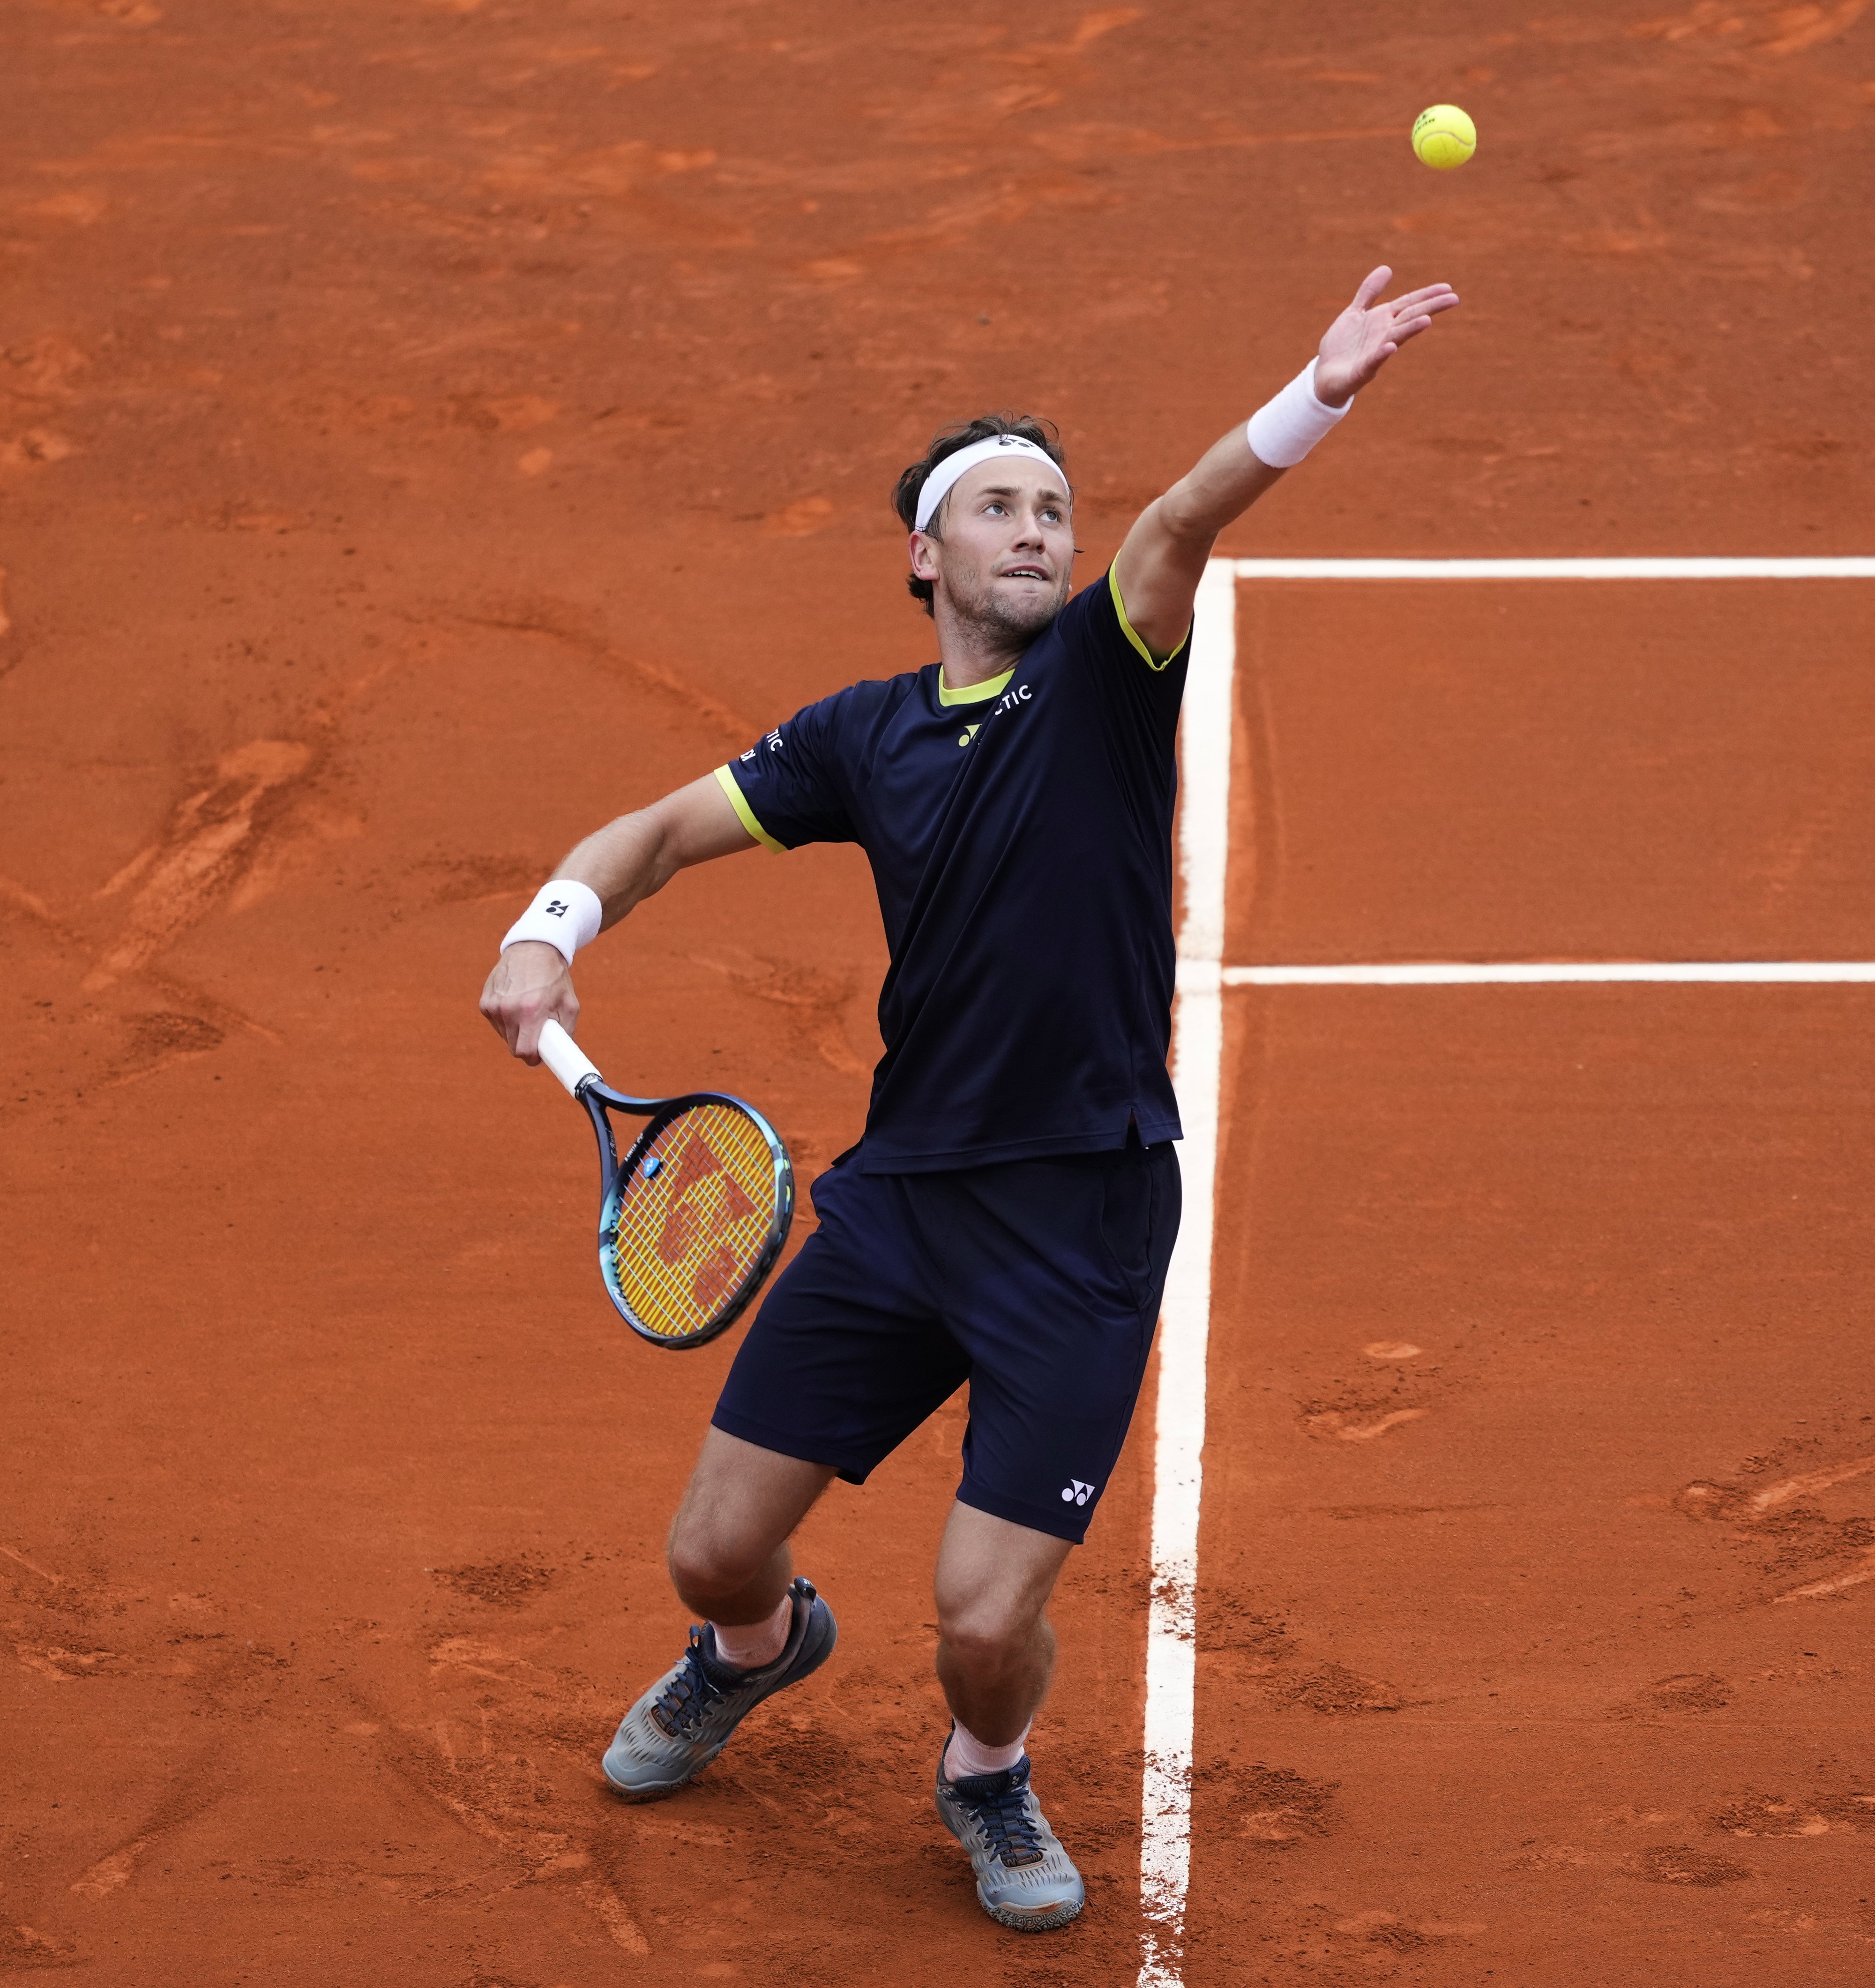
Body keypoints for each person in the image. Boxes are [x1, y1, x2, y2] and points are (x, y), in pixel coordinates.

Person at [477, 267, 1458, 1931]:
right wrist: (541, 936)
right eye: (996, 506)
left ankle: (984, 1775)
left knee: (981, 1624)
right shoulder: (860, 739)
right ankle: (755, 1652)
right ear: (924, 555)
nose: (1038, 529)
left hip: (1079, 1217)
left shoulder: (1105, 670)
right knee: (712, 1552)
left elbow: (1187, 520)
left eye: (1052, 508)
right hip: (904, 1201)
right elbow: (644, 837)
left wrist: (1321, 388)